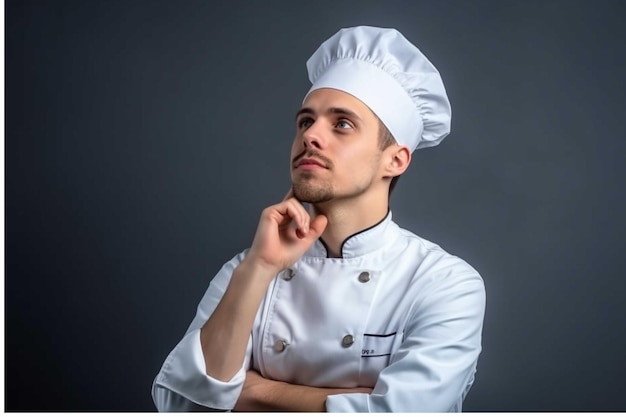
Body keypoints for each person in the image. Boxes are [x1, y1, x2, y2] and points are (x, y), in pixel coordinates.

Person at [151, 26, 486, 412]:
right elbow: (179, 404)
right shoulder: (246, 270)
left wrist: (255, 392)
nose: (311, 136)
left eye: (341, 124)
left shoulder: (445, 283)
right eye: (305, 121)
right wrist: (260, 267)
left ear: (395, 159)